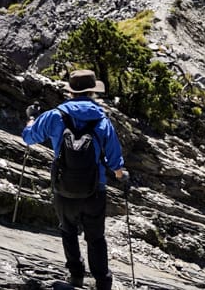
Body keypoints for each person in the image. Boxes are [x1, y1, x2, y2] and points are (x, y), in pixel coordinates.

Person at [22, 69, 128, 289]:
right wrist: (121, 176)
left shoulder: (55, 115)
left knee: (68, 230)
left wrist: (31, 118)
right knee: (96, 237)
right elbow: (115, 158)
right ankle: (102, 281)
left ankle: (76, 275)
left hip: (63, 186)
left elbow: (29, 138)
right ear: (92, 92)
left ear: (70, 91)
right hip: (94, 188)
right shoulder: (102, 120)